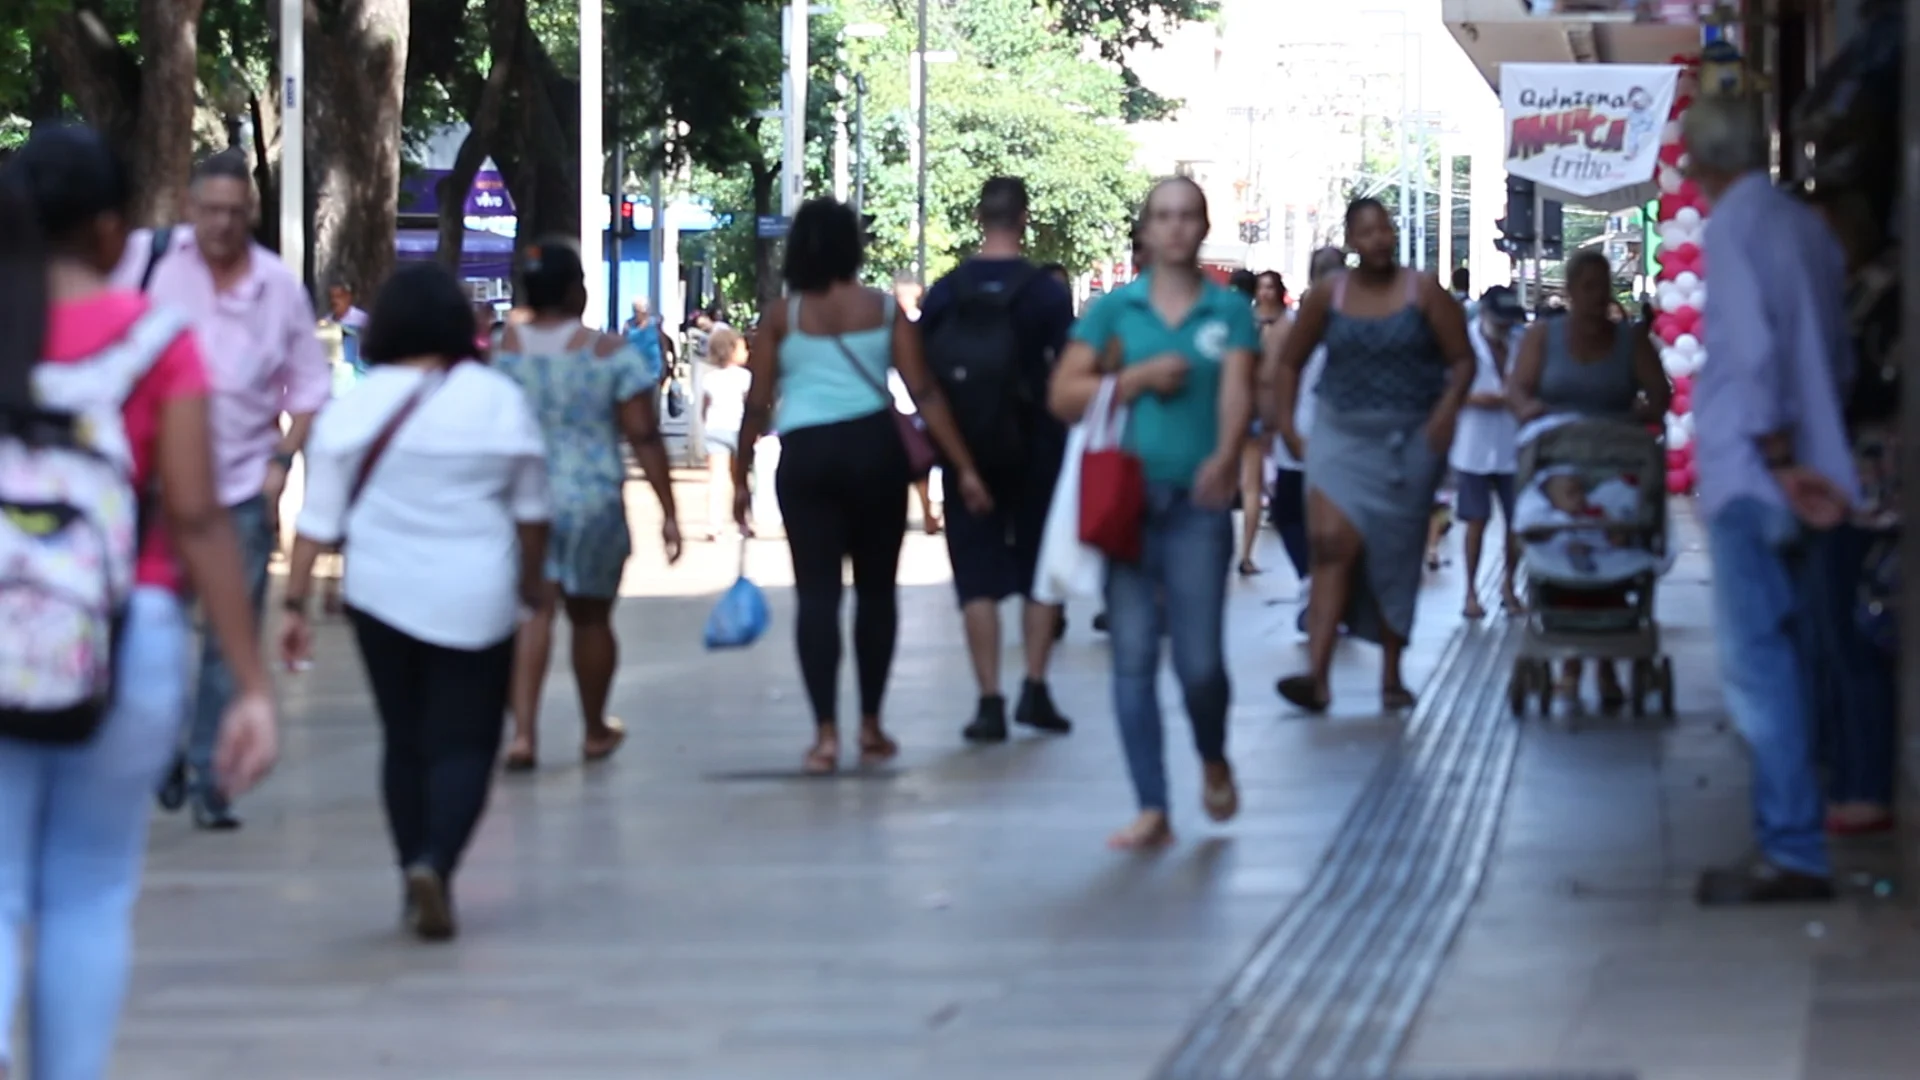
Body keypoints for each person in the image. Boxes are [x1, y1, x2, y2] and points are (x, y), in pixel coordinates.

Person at [0, 123, 278, 1079]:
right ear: (113, 231)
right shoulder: (156, 339)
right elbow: (198, 518)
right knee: (87, 892)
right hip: (127, 635)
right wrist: (249, 683)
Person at [280, 262, 549, 940]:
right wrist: (532, 581)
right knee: (467, 741)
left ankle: (410, 869)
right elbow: (532, 511)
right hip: (477, 593)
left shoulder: (353, 408)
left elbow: (317, 521)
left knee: (403, 739)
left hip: (379, 595)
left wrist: (293, 605)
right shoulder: (496, 400)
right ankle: (437, 861)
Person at [731, 197, 990, 775]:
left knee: (817, 596)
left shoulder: (781, 316)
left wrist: (739, 474)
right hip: (875, 452)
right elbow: (924, 392)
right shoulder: (885, 309)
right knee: (876, 593)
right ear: (852, 247)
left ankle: (825, 735)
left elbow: (758, 401)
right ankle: (871, 725)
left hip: (807, 458)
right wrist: (964, 467)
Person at [116, 148, 329, 831]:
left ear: (251, 214)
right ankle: (163, 749)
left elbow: (310, 388)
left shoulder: (277, 287)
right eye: (210, 211)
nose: (222, 225)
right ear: (189, 209)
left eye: (235, 213)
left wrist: (282, 462)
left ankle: (210, 777)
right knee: (150, 630)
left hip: (238, 487)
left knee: (225, 641)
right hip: (151, 488)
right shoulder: (146, 262)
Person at [1048, 177, 1259, 850]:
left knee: (1199, 662)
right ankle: (1152, 805)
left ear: (1203, 227)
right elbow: (1063, 394)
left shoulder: (1230, 311)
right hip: (1128, 501)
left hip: (1199, 503)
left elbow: (1238, 390)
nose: (1174, 228)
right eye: (1162, 216)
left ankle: (1213, 755)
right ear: (1145, 229)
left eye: (1186, 216)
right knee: (1133, 656)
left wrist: (1225, 455)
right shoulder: (1116, 310)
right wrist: (1133, 380)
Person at [1685, 95, 1858, 905]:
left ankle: (1792, 847)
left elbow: (1752, 352)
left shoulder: (1733, 227)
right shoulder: (1805, 227)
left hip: (1757, 472)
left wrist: (1777, 453)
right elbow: (1837, 353)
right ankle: (1795, 833)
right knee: (1798, 654)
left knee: (1759, 665)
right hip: (1812, 471)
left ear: (1704, 162)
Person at [1266, 197, 1475, 715]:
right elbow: (1289, 362)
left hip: (1409, 440)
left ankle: (1391, 674)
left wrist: (1446, 411)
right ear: (1351, 241)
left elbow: (1463, 360)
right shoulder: (1328, 295)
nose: (1379, 239)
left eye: (1385, 229)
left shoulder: (1423, 292)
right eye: (1366, 232)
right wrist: (1287, 426)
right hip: (1340, 435)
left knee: (1394, 556)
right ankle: (1317, 676)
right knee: (1330, 546)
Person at [493, 242, 682, 772]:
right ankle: (595, 728)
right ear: (576, 290)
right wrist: (668, 510)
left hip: (521, 500)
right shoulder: (610, 353)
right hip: (593, 499)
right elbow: (643, 435)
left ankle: (523, 734)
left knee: (532, 611)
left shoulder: (503, 356)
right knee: (592, 617)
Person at [919, 177, 1077, 743]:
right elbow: (1067, 371)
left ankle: (989, 700)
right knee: (1040, 571)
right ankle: (1035, 686)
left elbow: (927, 379)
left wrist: (958, 463)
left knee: (977, 580)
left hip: (968, 453)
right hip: (1037, 450)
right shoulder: (1046, 294)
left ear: (978, 217)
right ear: (1024, 218)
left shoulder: (946, 291)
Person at [1507, 249, 1671, 707]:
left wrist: (1639, 413)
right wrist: (1528, 409)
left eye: (1604, 286)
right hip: (1557, 457)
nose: (1598, 296)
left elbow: (1659, 394)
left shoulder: (1631, 341)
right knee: (1561, 532)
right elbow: (1516, 388)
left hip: (1617, 457)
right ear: (1571, 291)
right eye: (1588, 287)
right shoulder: (1543, 337)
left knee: (1618, 532)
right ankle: (1571, 661)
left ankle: (1605, 663)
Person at [1264, 248, 1344, 626]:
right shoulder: (1351, 323)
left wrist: (1275, 425)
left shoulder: (1291, 326)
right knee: (1322, 518)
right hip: (1325, 436)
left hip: (1298, 431)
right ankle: (1324, 589)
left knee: (1292, 514)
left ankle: (1315, 584)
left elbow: (1272, 378)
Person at [1452, 285, 1527, 619]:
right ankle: (1470, 591)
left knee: (1518, 521)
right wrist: (1473, 399)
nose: (1505, 326)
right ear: (1484, 314)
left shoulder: (1520, 343)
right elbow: (1445, 387)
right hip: (1473, 442)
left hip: (1512, 441)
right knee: (1476, 521)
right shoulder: (1462, 342)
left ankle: (1509, 585)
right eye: (1500, 320)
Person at [1235, 270, 1288, 577]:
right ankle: (1243, 555)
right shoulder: (1274, 324)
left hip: (1255, 411)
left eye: (1270, 287)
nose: (1265, 292)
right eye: (1262, 287)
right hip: (1245, 408)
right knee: (1246, 484)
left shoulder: (1273, 325)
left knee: (1250, 485)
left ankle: (1245, 554)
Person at [890, 270, 941, 534]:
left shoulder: (893, 323)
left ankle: (926, 512)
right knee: (921, 461)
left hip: (897, 401)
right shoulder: (918, 323)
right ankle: (928, 513)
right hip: (914, 402)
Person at [702, 325, 752, 540]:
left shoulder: (710, 378)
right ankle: (742, 523)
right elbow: (751, 407)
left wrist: (706, 423)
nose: (747, 352)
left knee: (716, 478)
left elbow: (705, 407)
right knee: (739, 479)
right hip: (738, 430)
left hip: (715, 429)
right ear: (732, 351)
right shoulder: (745, 377)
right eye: (743, 348)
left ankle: (714, 524)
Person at [623, 295, 677, 390]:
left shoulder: (655, 325)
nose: (637, 314)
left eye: (639, 311)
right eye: (635, 311)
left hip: (653, 373)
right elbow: (622, 346)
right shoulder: (628, 325)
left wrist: (668, 368)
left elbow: (666, 345)